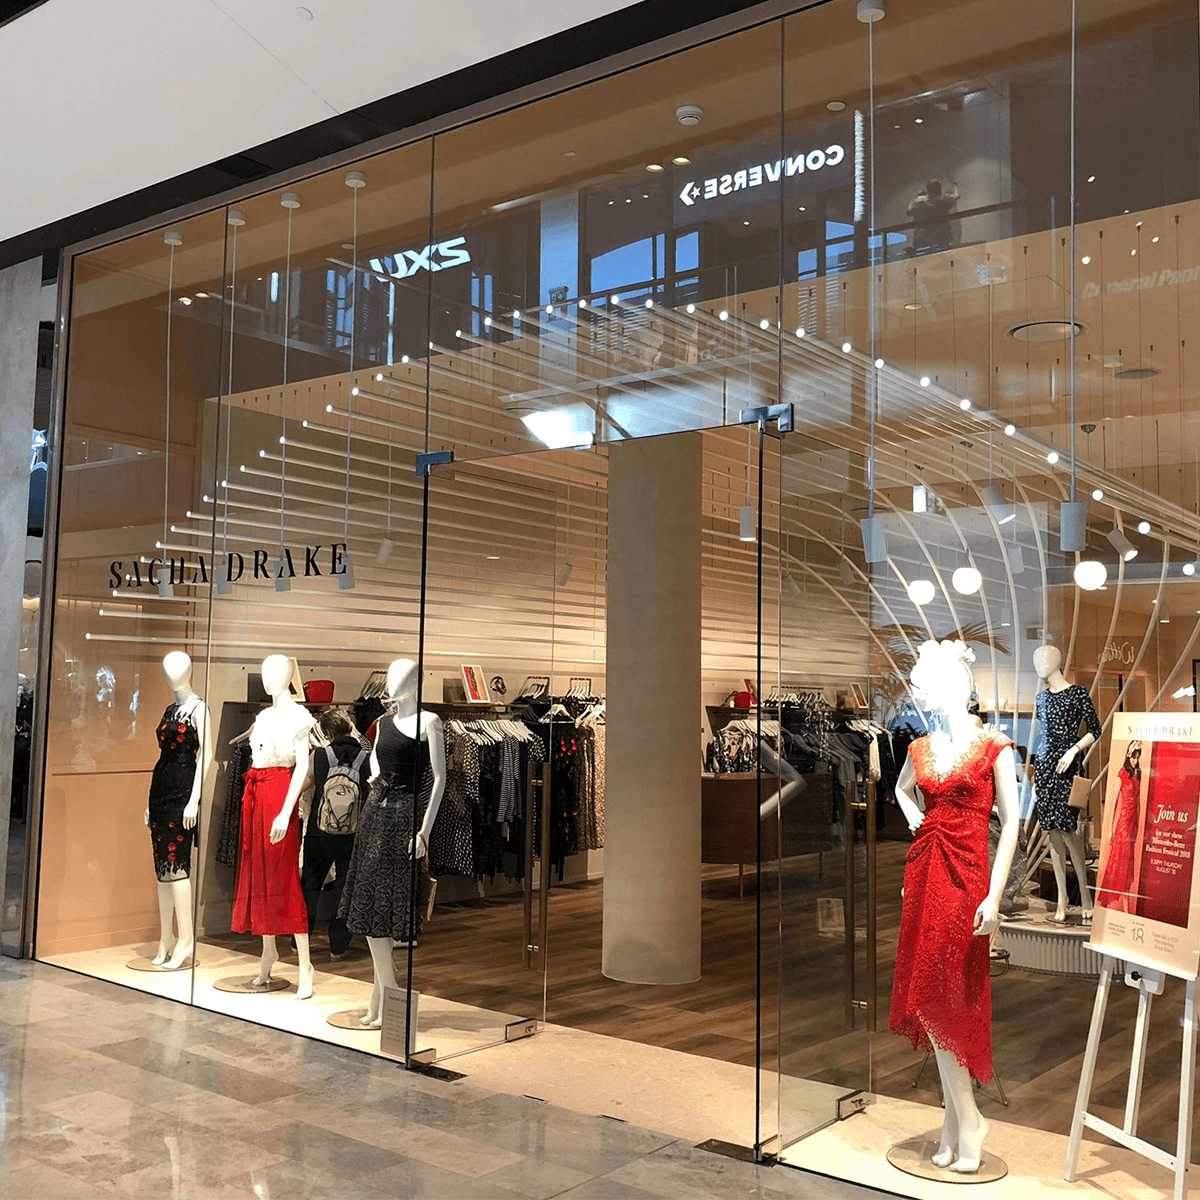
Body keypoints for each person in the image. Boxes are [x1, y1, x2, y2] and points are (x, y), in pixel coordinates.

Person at [301, 709, 370, 958]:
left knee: (311, 885)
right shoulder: (366, 758)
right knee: (344, 887)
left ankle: (301, 940)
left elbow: (306, 783)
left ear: (327, 732)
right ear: (350, 728)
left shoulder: (319, 755)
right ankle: (338, 947)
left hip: (319, 831)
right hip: (352, 833)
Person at [907, 178, 961, 255]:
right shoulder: (944, 199)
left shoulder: (919, 200)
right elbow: (957, 196)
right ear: (939, 189)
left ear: (927, 189)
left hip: (921, 240)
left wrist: (917, 196)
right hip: (940, 239)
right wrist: (955, 184)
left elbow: (909, 212)